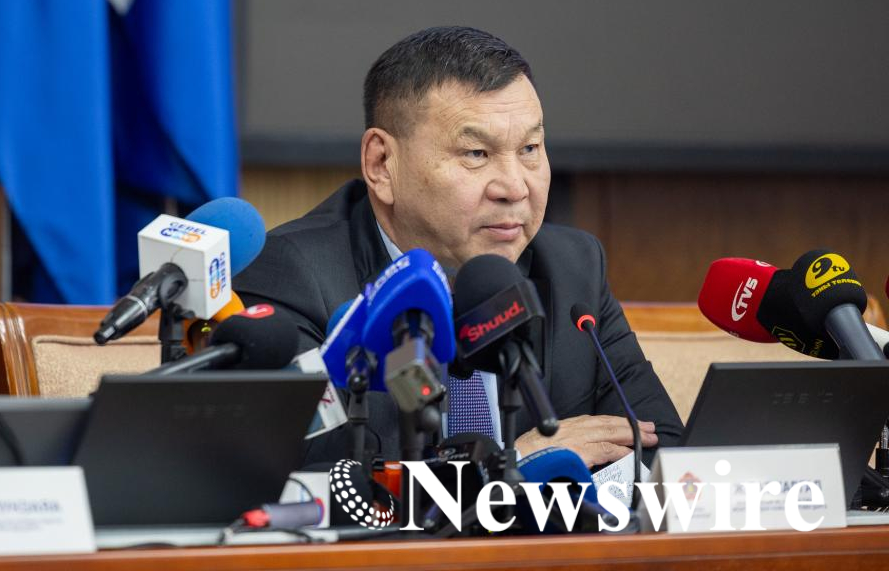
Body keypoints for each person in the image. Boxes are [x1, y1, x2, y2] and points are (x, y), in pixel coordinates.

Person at [235, 26, 682, 467]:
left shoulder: (572, 268)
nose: (515, 187)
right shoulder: (293, 275)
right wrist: (511, 467)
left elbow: (663, 452)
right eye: (476, 154)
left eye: (530, 148)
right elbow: (303, 478)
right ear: (382, 164)